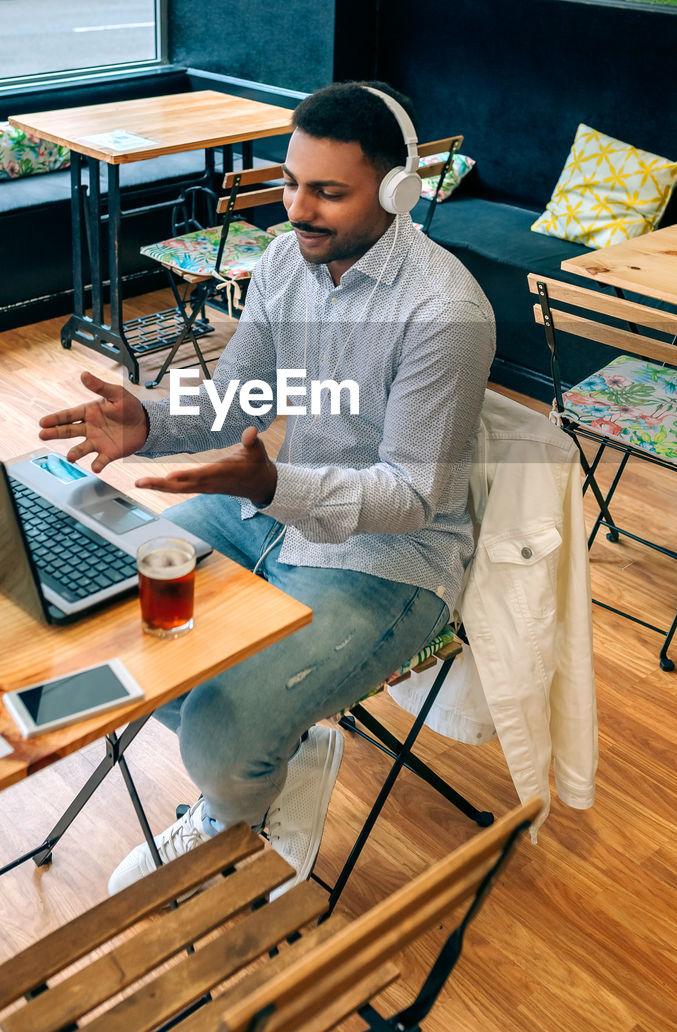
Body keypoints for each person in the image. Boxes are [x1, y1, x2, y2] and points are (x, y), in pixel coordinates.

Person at [38, 81, 496, 896]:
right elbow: (238, 398)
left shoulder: (444, 310)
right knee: (126, 624)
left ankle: (237, 810)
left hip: (391, 560)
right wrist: (146, 422)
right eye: (290, 182)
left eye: (327, 191)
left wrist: (277, 484)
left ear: (397, 191)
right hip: (272, 511)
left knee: (219, 726)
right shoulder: (286, 260)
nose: (297, 209)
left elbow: (412, 495)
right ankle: (283, 746)